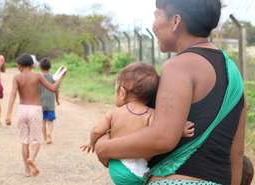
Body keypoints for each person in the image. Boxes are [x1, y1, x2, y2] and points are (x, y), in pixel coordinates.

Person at [95, 0, 245, 185]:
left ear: (175, 21)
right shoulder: (233, 72)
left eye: (156, 15)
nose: (154, 25)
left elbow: (162, 137)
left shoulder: (179, 65)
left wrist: (104, 147)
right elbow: (236, 153)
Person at [81, 62, 194, 185]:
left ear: (122, 92)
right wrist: (180, 131)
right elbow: (163, 132)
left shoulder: (114, 113)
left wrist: (91, 143)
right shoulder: (152, 114)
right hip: (138, 170)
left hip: (116, 165)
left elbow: (97, 130)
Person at [5, 54, 66, 177]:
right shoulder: (37, 76)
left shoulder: (17, 77)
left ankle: (27, 171)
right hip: (35, 110)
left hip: (22, 110)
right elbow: (53, 88)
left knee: (24, 141)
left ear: (19, 66)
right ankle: (32, 158)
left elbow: (13, 94)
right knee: (36, 140)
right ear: (33, 65)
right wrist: (61, 77)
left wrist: (8, 114)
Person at [39, 58, 60, 144]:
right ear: (50, 67)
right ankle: (49, 134)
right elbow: (56, 90)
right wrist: (57, 100)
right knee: (50, 121)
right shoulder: (53, 77)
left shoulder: (38, 77)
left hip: (40, 103)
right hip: (50, 103)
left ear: (40, 67)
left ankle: (45, 138)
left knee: (43, 121)